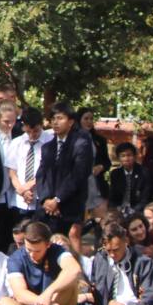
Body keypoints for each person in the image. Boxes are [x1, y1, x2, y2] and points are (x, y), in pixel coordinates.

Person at [0, 219, 82, 305]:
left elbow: (74, 269)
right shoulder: (15, 258)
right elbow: (20, 293)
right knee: (3, 303)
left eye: (37, 251)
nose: (32, 255)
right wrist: (44, 303)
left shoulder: (58, 251)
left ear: (48, 245)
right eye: (28, 250)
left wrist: (49, 293)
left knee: (71, 283)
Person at [36, 102, 93, 246]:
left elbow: (78, 174)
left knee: (71, 241)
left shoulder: (81, 143)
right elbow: (41, 175)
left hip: (71, 204)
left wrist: (58, 199)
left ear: (71, 122)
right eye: (53, 119)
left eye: (60, 118)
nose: (56, 122)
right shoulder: (47, 147)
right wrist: (46, 200)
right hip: (49, 208)